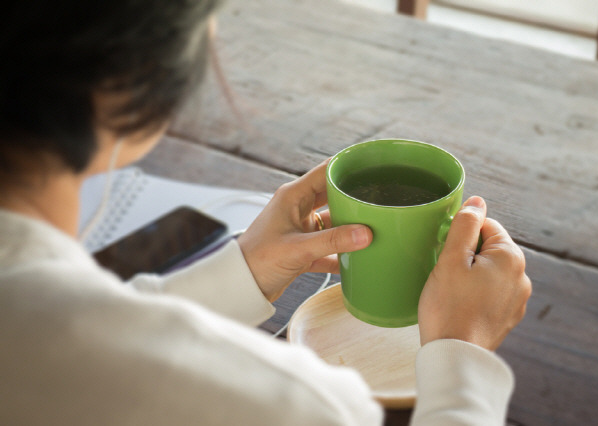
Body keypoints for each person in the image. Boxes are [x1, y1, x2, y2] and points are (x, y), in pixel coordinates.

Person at [0, 0, 532, 425]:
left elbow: (68, 332)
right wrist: (462, 363)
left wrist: (246, 269)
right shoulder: (300, 406)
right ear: (125, 74)